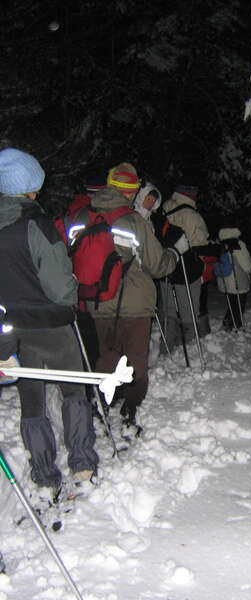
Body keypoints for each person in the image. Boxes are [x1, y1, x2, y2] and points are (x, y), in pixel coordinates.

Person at [0, 147, 99, 505]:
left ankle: (44, 475)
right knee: (74, 393)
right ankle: (83, 466)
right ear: (32, 187)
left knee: (32, 404)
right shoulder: (37, 225)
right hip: (52, 327)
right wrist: (71, 284)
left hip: (11, 332)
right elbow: (60, 289)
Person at [68, 163, 186, 435]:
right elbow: (159, 265)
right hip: (133, 306)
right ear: (133, 190)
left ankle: (101, 405)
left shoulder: (84, 216)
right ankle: (129, 412)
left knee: (107, 356)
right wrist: (175, 254)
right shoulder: (134, 221)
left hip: (96, 302)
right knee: (134, 362)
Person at [157, 184, 211, 350]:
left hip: (166, 267)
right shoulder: (192, 215)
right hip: (188, 270)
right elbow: (200, 242)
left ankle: (167, 345)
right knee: (188, 308)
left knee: (168, 309)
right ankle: (189, 346)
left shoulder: (163, 211)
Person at [215, 226, 251, 330]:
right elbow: (247, 266)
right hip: (239, 281)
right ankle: (235, 324)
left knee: (232, 303)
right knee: (239, 304)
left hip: (225, 282)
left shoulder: (219, 244)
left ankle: (228, 322)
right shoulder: (239, 244)